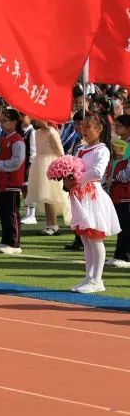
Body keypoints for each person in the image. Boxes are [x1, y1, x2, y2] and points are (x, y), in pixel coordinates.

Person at [64, 113, 122, 293]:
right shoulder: (81, 148)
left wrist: (76, 178)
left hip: (92, 196)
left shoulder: (102, 150)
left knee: (95, 238)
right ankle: (89, 277)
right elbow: (74, 166)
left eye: (88, 127)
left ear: (98, 129)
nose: (84, 130)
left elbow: (97, 172)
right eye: (82, 126)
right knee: (85, 239)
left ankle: (97, 279)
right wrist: (66, 178)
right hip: (80, 196)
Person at [0, 109, 26, 255]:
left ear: (14, 122)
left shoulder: (18, 140)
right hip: (1, 181)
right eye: (1, 120)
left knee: (11, 213)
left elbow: (17, 161)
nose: (2, 124)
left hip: (12, 182)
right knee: (3, 213)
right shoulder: (2, 138)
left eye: (5, 121)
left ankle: (14, 243)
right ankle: (5, 240)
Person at [25, 119, 69, 236]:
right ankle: (49, 224)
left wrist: (60, 166)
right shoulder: (37, 132)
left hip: (50, 165)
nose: (36, 120)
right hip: (39, 165)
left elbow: (60, 151)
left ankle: (54, 225)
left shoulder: (52, 132)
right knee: (44, 196)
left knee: (50, 196)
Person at [108, 115, 130, 269]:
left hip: (126, 190)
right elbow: (115, 163)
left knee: (126, 224)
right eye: (115, 126)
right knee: (121, 223)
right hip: (118, 189)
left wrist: (116, 178)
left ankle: (126, 256)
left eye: (119, 126)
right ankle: (119, 254)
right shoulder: (120, 143)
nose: (116, 128)